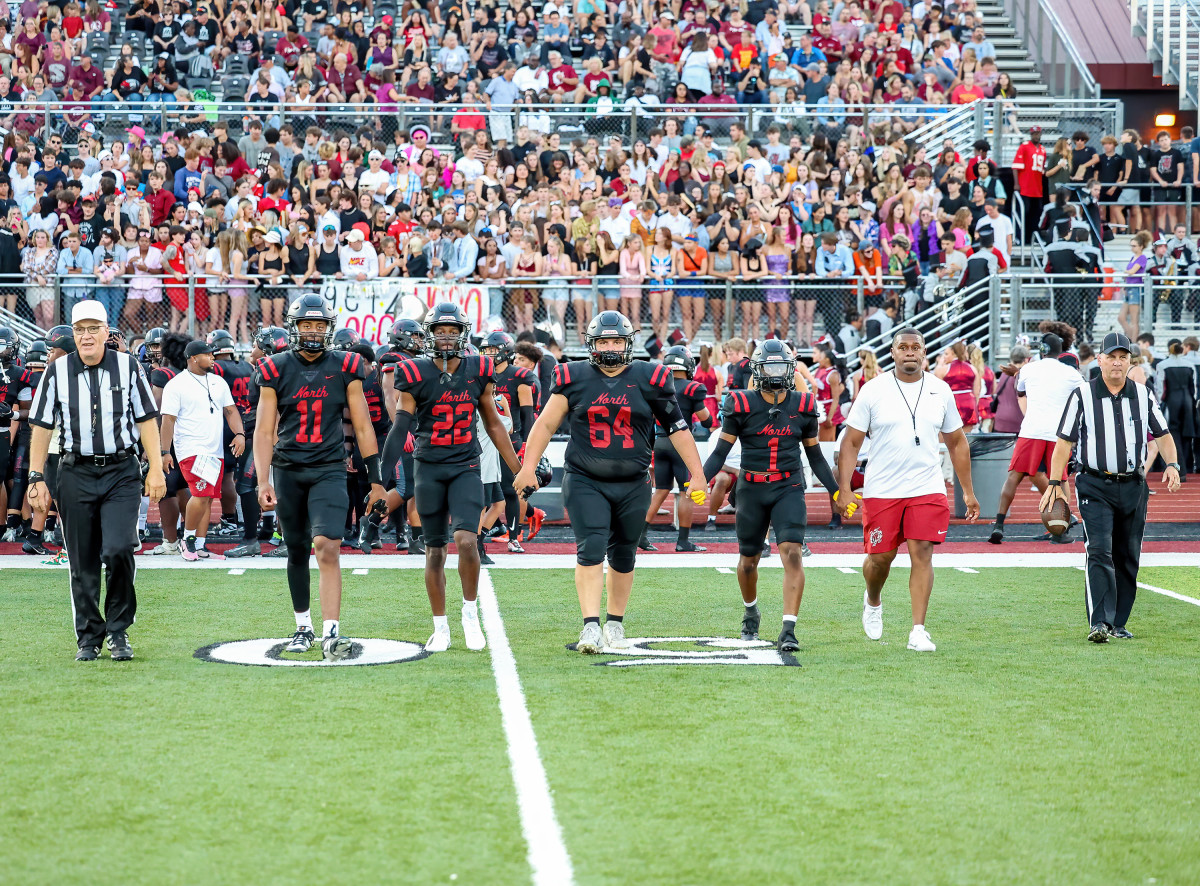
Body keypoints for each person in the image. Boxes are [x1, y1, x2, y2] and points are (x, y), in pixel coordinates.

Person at [514, 311, 708, 655]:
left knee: (624, 554)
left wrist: (698, 474)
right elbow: (544, 425)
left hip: (633, 482)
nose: (610, 347)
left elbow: (678, 428)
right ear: (592, 345)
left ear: (628, 343)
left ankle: (615, 622)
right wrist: (528, 466)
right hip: (586, 479)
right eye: (603, 340)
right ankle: (590, 626)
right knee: (590, 548)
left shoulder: (651, 377)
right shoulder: (573, 376)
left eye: (616, 340)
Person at [26, 301, 166, 662]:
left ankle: (118, 630)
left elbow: (147, 418)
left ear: (107, 331)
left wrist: (155, 467)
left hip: (121, 470)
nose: (86, 336)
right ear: (74, 335)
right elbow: (41, 426)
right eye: (80, 330)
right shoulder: (56, 372)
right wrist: (36, 475)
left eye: (93, 328)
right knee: (82, 559)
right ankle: (89, 636)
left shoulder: (129, 366)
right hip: (74, 471)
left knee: (119, 549)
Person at [381, 303, 521, 652]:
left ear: (463, 334)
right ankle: (440, 626)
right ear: (428, 335)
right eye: (439, 332)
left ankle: (469, 614)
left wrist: (519, 469)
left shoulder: (479, 369)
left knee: (467, 540)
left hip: (465, 465)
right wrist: (382, 475)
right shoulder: (413, 372)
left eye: (452, 332)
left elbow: (492, 422)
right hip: (428, 466)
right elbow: (400, 425)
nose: (446, 339)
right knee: (434, 551)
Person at [253, 294, 386, 661]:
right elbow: (265, 430)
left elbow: (362, 425)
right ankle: (302, 627)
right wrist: (263, 479)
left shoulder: (347, 365)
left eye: (320, 325)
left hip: (330, 468)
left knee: (327, 545)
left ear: (329, 328)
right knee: (296, 549)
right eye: (306, 325)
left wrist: (376, 481)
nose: (313, 331)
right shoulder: (274, 367)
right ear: (294, 328)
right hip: (288, 468)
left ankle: (330, 632)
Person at [702, 340, 852, 652]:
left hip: (788, 486)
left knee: (793, 552)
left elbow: (816, 458)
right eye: (767, 366)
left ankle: (788, 629)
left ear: (790, 369)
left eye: (778, 366)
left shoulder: (803, 404)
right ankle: (750, 610)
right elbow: (720, 452)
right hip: (752, 488)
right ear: (756, 370)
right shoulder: (740, 403)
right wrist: (699, 479)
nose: (773, 373)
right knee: (748, 562)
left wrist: (838, 490)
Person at [837, 328, 980, 653]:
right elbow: (851, 442)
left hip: (926, 487)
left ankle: (918, 630)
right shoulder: (873, 390)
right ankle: (873, 599)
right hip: (882, 490)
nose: (910, 352)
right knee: (880, 558)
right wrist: (844, 489)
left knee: (922, 552)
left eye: (916, 346)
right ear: (893, 352)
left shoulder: (940, 390)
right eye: (903, 347)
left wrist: (968, 491)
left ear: (924, 351)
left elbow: (957, 442)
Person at [1042, 332, 1182, 643]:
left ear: (1131, 361)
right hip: (1094, 483)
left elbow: (1163, 434)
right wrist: (1055, 482)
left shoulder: (1143, 395)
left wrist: (1172, 465)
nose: (1117, 362)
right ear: (1100, 360)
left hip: (1133, 485)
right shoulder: (1082, 395)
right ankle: (1100, 623)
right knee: (1100, 550)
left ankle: (1118, 622)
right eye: (1111, 356)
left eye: (1123, 356)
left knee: (1128, 554)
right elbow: (1064, 442)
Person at [988, 332, 1084, 545]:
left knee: (1014, 476)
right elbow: (1085, 393)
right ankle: (1061, 530)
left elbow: (1021, 391)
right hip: (1057, 434)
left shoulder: (1028, 369)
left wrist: (1020, 373)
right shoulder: (1070, 373)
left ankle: (999, 525)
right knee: (1059, 480)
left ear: (1042, 350)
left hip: (1031, 430)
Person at [159, 340, 246, 561]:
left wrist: (239, 434)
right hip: (190, 448)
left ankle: (199, 545)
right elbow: (168, 420)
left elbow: (231, 411)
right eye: (208, 355)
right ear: (194, 358)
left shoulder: (218, 382)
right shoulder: (176, 385)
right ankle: (187, 541)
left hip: (214, 450)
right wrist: (164, 451)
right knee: (201, 494)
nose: (213, 358)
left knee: (208, 498)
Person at [640, 345, 713, 554]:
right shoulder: (692, 388)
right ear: (688, 365)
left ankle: (640, 535)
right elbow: (706, 420)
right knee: (685, 492)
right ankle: (683, 541)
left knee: (661, 489)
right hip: (680, 444)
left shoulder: (659, 387)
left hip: (659, 442)